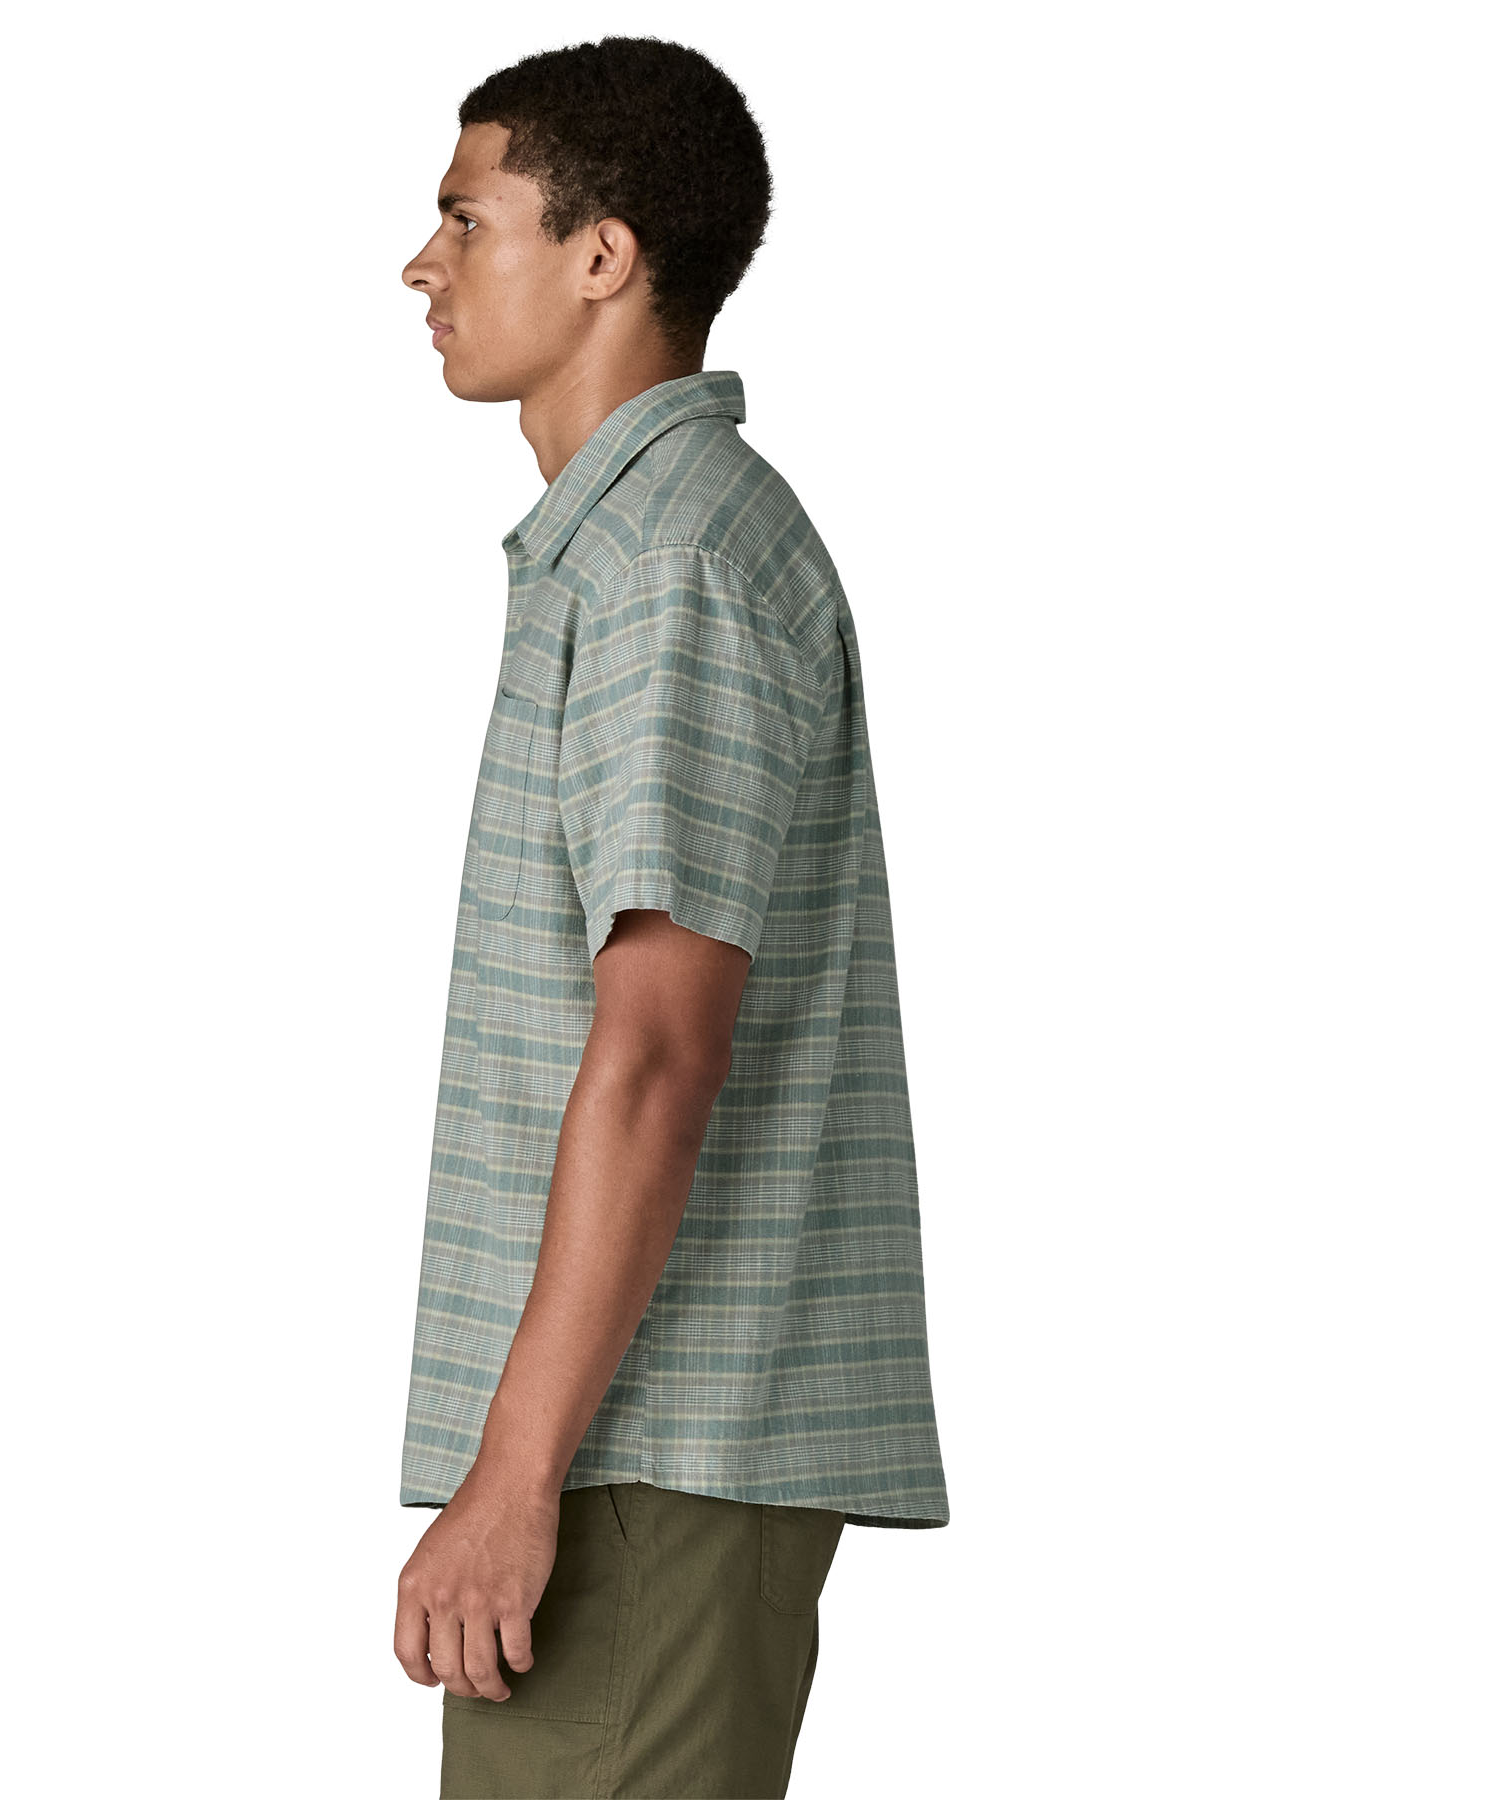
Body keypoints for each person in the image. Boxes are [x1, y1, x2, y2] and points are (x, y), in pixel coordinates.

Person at [394, 35, 949, 1800]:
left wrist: (513, 1474)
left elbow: (655, 1053)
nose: (419, 264)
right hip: (636, 1448)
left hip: (644, 1454)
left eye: (464, 219)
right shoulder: (635, 547)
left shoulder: (669, 563)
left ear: (602, 255)